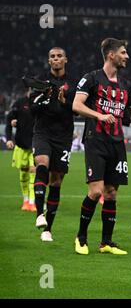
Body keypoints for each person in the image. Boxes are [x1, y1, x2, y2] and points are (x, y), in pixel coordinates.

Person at [72, 38, 131, 255]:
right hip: (96, 141)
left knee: (110, 193)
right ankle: (81, 237)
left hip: (117, 143)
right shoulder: (91, 78)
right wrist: (100, 115)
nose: (127, 56)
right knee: (96, 191)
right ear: (111, 55)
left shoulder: (126, 85)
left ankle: (106, 242)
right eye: (123, 52)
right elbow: (76, 105)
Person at [30, 47, 76, 242]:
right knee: (42, 164)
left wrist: (65, 102)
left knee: (56, 181)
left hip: (64, 137)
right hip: (43, 133)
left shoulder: (73, 84)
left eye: (59, 56)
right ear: (49, 61)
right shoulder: (40, 83)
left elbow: (77, 109)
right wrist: (45, 97)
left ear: (65, 59)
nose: (56, 59)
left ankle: (48, 228)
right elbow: (31, 108)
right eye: (52, 57)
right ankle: (39, 213)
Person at [5, 88, 36, 212]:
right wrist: (8, 139)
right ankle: (26, 200)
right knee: (23, 174)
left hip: (36, 145)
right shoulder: (19, 102)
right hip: (21, 145)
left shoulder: (41, 103)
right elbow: (9, 120)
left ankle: (33, 202)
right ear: (28, 89)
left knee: (33, 173)